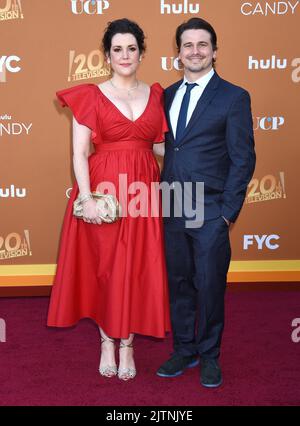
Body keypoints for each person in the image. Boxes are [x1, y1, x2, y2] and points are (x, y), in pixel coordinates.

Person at [47, 18, 170, 381]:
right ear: (106, 55)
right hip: (104, 194)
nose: (125, 55)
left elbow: (161, 146)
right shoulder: (90, 96)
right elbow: (79, 153)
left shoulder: (158, 95)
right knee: (105, 268)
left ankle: (128, 345)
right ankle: (106, 341)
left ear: (142, 52)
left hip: (144, 191)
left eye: (132, 48)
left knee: (136, 266)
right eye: (117, 49)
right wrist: (87, 200)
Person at [157, 18, 256, 387]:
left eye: (202, 45)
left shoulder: (233, 96)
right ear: (178, 53)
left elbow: (243, 157)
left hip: (211, 209)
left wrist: (228, 212)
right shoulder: (165, 95)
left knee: (211, 284)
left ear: (214, 51)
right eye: (187, 45)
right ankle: (184, 349)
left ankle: (210, 354)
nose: (194, 51)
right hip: (172, 205)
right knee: (179, 282)